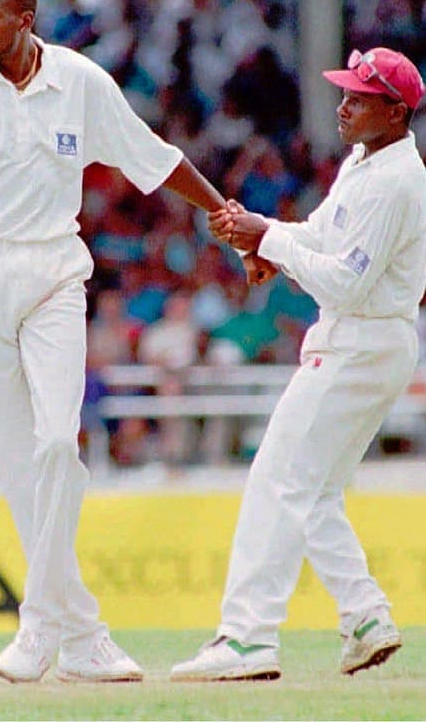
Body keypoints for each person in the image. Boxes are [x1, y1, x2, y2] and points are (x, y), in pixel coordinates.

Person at [0, 0, 240, 683]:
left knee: (56, 445)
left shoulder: (78, 81)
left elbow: (154, 159)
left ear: (25, 20)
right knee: (19, 468)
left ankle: (40, 623)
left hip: (54, 274)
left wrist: (225, 215)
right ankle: (84, 637)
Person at [172, 46, 426, 681]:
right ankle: (365, 617)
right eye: (343, 93)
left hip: (360, 341)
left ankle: (248, 638)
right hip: (361, 340)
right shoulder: (366, 162)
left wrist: (269, 241)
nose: (342, 106)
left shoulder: (398, 180)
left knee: (278, 480)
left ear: (394, 113)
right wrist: (265, 233)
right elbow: (320, 234)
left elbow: (344, 284)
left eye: (358, 99)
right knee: (311, 492)